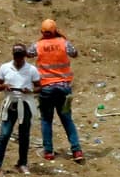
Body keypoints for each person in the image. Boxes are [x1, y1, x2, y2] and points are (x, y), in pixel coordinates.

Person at [29, 19, 83, 163]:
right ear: (56, 30)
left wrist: (42, 40)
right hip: (64, 88)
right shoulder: (63, 43)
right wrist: (62, 36)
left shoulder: (38, 45)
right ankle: (76, 150)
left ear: (42, 32)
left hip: (46, 88)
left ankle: (48, 151)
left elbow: (28, 53)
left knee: (46, 120)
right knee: (67, 119)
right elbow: (75, 53)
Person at [0, 43, 40, 174]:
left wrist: (29, 90)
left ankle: (22, 163)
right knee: (4, 134)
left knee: (24, 135)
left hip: (25, 104)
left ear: (24, 56)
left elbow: (39, 87)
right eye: (16, 56)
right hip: (11, 103)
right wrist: (4, 86)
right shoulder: (5, 67)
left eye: (20, 56)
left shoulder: (31, 70)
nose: (18, 59)